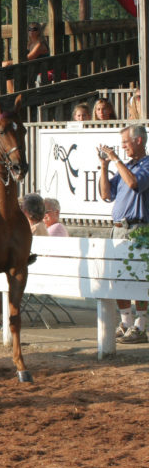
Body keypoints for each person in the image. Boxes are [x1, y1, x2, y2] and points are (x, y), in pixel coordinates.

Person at [98, 125, 149, 344]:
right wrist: (103, 166)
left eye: (126, 143)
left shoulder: (146, 165)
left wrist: (115, 159)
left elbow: (134, 183)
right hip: (118, 229)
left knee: (138, 276)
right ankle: (126, 322)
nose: (122, 147)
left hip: (138, 228)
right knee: (117, 276)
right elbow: (105, 193)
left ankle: (141, 325)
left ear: (139, 141)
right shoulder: (126, 166)